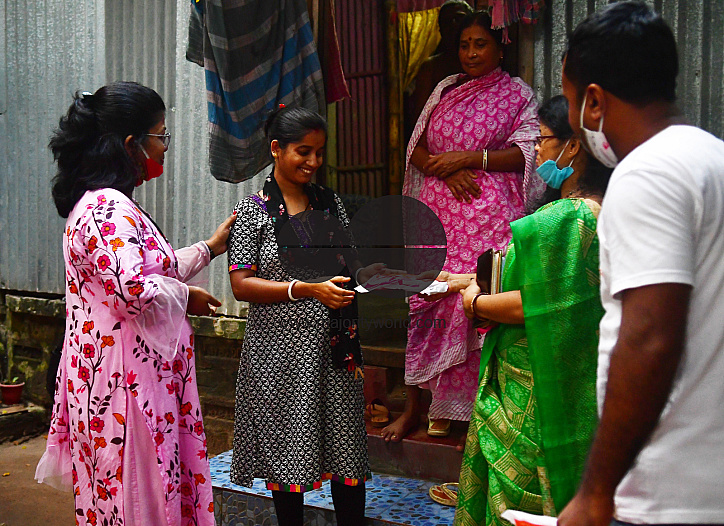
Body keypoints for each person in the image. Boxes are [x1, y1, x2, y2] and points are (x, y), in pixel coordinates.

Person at [36, 82, 236, 526]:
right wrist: (187, 295)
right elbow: (133, 290)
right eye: (161, 135)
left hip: (109, 381)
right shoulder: (108, 207)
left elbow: (149, 270)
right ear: (131, 145)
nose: (164, 147)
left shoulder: (101, 205)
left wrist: (210, 247)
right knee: (138, 497)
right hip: (126, 391)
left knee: (122, 498)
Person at [556, 3, 724, 526]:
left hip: (668, 491)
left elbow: (649, 336)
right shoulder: (712, 159)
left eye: (570, 102)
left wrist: (596, 492)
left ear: (594, 101)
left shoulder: (646, 174)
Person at [442, 95, 611, 525]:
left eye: (543, 139)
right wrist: (459, 280)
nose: (536, 150)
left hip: (534, 383)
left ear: (573, 146)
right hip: (575, 373)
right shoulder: (600, 210)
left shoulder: (567, 218)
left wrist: (475, 302)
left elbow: (534, 303)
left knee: (519, 501)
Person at [384, 10, 543, 445]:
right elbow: (416, 148)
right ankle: (424, 406)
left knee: (479, 301)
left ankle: (476, 408)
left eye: (481, 44)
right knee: (429, 300)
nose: (471, 53)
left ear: (500, 48)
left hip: (489, 219)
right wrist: (448, 169)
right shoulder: (445, 89)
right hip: (440, 216)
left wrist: (470, 159)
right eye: (465, 45)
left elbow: (527, 152)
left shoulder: (517, 94)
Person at [227, 106, 370, 526]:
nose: (313, 162)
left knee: (347, 455)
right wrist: (305, 289)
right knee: (287, 458)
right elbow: (241, 284)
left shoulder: (330, 203)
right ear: (276, 149)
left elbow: (351, 264)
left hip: (334, 352)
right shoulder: (253, 211)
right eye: (303, 152)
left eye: (319, 152)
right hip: (279, 358)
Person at [405, 0, 473, 140]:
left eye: (459, 18)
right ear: (440, 30)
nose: (454, 25)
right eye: (447, 22)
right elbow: (420, 119)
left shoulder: (482, 61)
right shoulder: (431, 67)